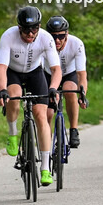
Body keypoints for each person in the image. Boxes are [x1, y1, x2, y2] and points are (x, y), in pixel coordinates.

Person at [0, 6, 61, 186]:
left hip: (35, 73)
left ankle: (45, 169)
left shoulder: (46, 38)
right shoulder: (8, 36)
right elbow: (1, 67)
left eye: (34, 29)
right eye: (26, 30)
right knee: (14, 97)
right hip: (13, 72)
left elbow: (56, 69)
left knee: (41, 115)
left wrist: (53, 88)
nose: (30, 34)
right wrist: (2, 90)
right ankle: (12, 134)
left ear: (39, 27)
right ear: (19, 28)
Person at [43, 16, 88, 148]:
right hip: (49, 74)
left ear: (67, 34)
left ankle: (73, 129)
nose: (57, 40)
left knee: (69, 91)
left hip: (69, 73)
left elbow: (81, 74)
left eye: (61, 36)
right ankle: (45, 142)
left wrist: (82, 94)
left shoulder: (76, 43)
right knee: (49, 112)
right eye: (53, 36)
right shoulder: (43, 42)